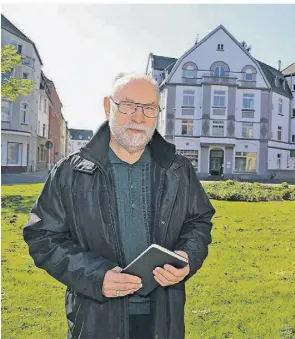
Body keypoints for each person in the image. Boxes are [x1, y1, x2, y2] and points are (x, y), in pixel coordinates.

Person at [23, 73, 215, 339]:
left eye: (149, 108)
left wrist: (187, 257)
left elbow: (199, 221)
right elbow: (42, 237)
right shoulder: (70, 172)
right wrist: (95, 276)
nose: (138, 117)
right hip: (96, 320)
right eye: (128, 105)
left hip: (163, 319)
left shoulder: (178, 169)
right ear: (107, 106)